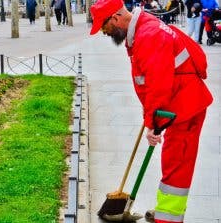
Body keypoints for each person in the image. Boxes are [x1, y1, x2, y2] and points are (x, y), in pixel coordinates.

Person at [89, 0, 213, 222]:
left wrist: (152, 124)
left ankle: (168, 218)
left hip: (185, 107)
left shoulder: (149, 36)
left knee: (177, 165)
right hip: (178, 104)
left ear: (115, 18)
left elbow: (158, 85)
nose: (103, 32)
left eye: (103, 26)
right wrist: (151, 116)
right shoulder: (144, 27)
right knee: (173, 162)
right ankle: (166, 211)